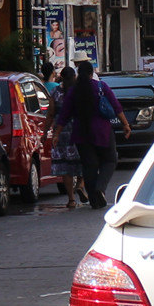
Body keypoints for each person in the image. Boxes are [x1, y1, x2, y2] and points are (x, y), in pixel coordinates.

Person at [55, 60, 129, 208]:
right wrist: (125, 124)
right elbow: (116, 106)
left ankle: (94, 201)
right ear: (91, 73)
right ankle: (100, 189)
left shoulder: (73, 91)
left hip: (81, 134)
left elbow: (64, 115)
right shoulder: (101, 87)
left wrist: (56, 134)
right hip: (102, 131)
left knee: (90, 166)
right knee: (110, 160)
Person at [49, 67, 85, 208]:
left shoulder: (55, 92)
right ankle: (81, 185)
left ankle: (71, 199)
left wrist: (47, 132)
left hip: (61, 132)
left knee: (65, 168)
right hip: (79, 130)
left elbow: (51, 114)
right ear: (74, 76)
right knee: (84, 161)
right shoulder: (79, 91)